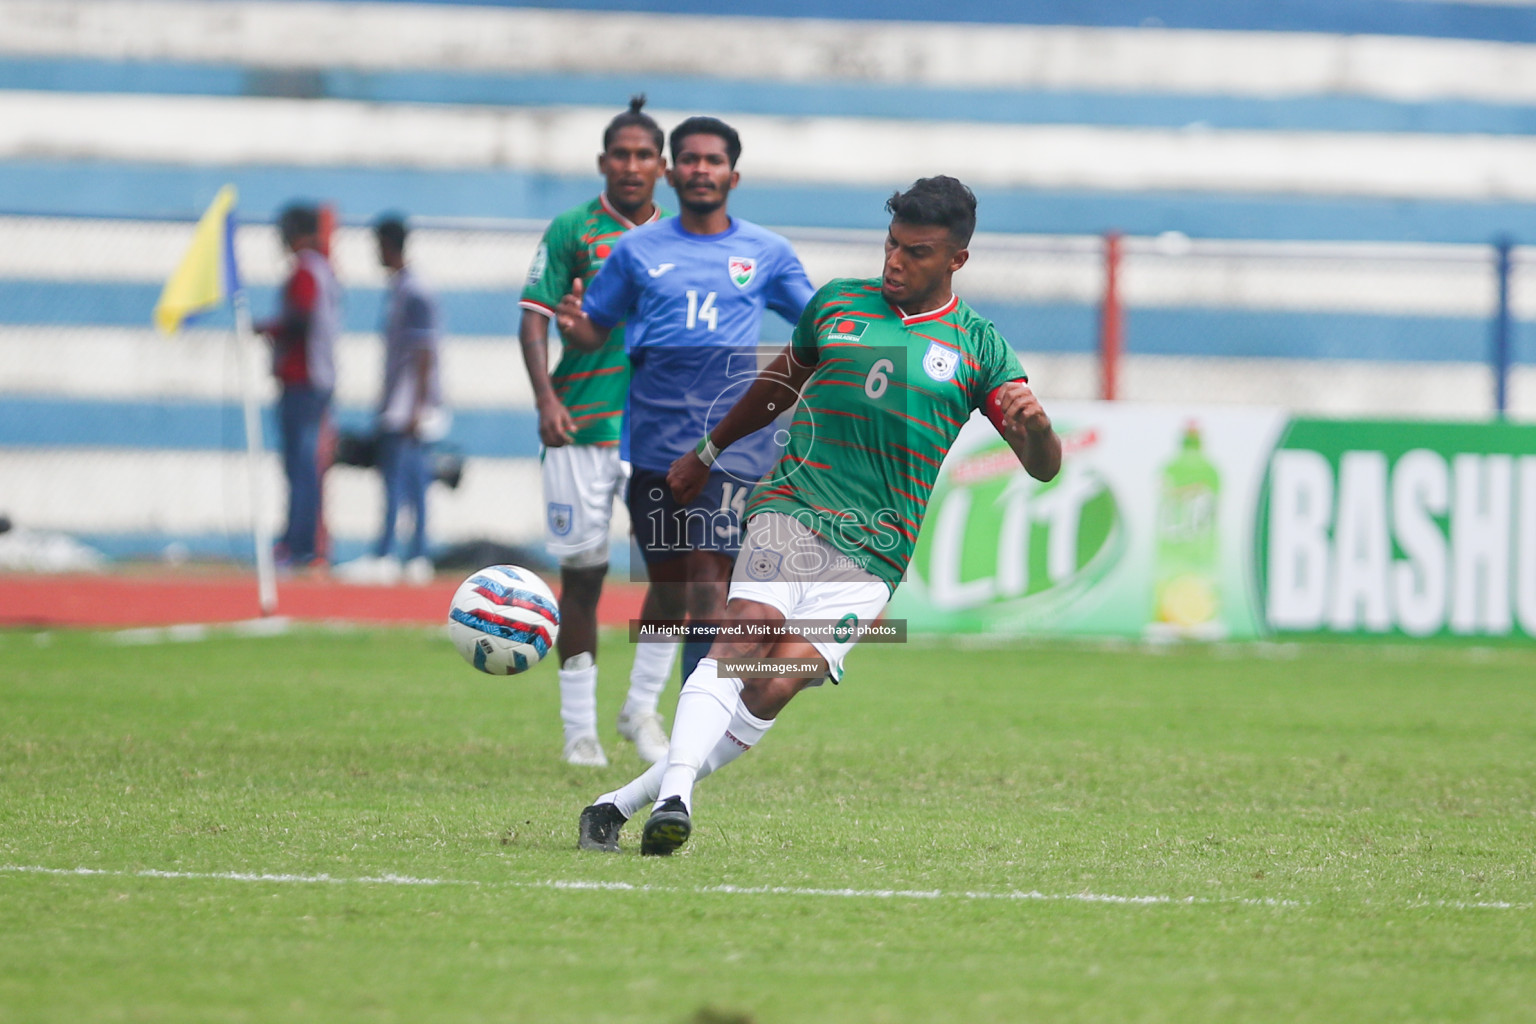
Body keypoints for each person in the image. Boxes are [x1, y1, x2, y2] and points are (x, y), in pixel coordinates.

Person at [575, 175, 1063, 855]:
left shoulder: (980, 347)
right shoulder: (838, 305)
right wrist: (710, 450)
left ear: (956, 260)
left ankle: (616, 805)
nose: (894, 261)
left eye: (916, 252)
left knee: (772, 686)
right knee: (744, 633)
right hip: (794, 509)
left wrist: (1037, 428)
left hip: (876, 552)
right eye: (891, 244)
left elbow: (1042, 465)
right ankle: (676, 795)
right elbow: (779, 382)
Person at [554, 114, 815, 766]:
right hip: (653, 449)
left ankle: (690, 739)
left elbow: (817, 321)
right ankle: (640, 708)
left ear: (734, 174)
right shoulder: (636, 252)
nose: (701, 170)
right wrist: (573, 328)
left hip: (733, 449)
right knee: (670, 587)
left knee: (708, 580)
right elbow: (596, 328)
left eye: (712, 161)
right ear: (672, 174)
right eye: (690, 160)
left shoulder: (768, 252)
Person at [519, 96, 678, 767]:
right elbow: (532, 318)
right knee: (584, 579)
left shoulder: (686, 239)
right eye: (622, 153)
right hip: (581, 429)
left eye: (645, 155)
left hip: (659, 437)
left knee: (673, 577)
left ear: (664, 168)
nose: (632, 165)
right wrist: (546, 398)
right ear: (603, 162)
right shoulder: (572, 230)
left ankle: (640, 709)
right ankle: (578, 728)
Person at [337, 214, 443, 586]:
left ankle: (391, 553)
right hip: (400, 402)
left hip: (407, 406)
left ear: (388, 245)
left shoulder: (415, 290)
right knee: (410, 480)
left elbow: (424, 350)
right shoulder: (400, 287)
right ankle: (414, 554)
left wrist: (417, 406)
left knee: (400, 481)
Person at [257, 203, 341, 569]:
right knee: (301, 466)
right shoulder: (322, 271)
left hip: (304, 381)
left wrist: (270, 330)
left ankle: (299, 544)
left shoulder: (306, 271)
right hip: (312, 380)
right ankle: (299, 541)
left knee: (301, 466)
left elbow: (300, 320)